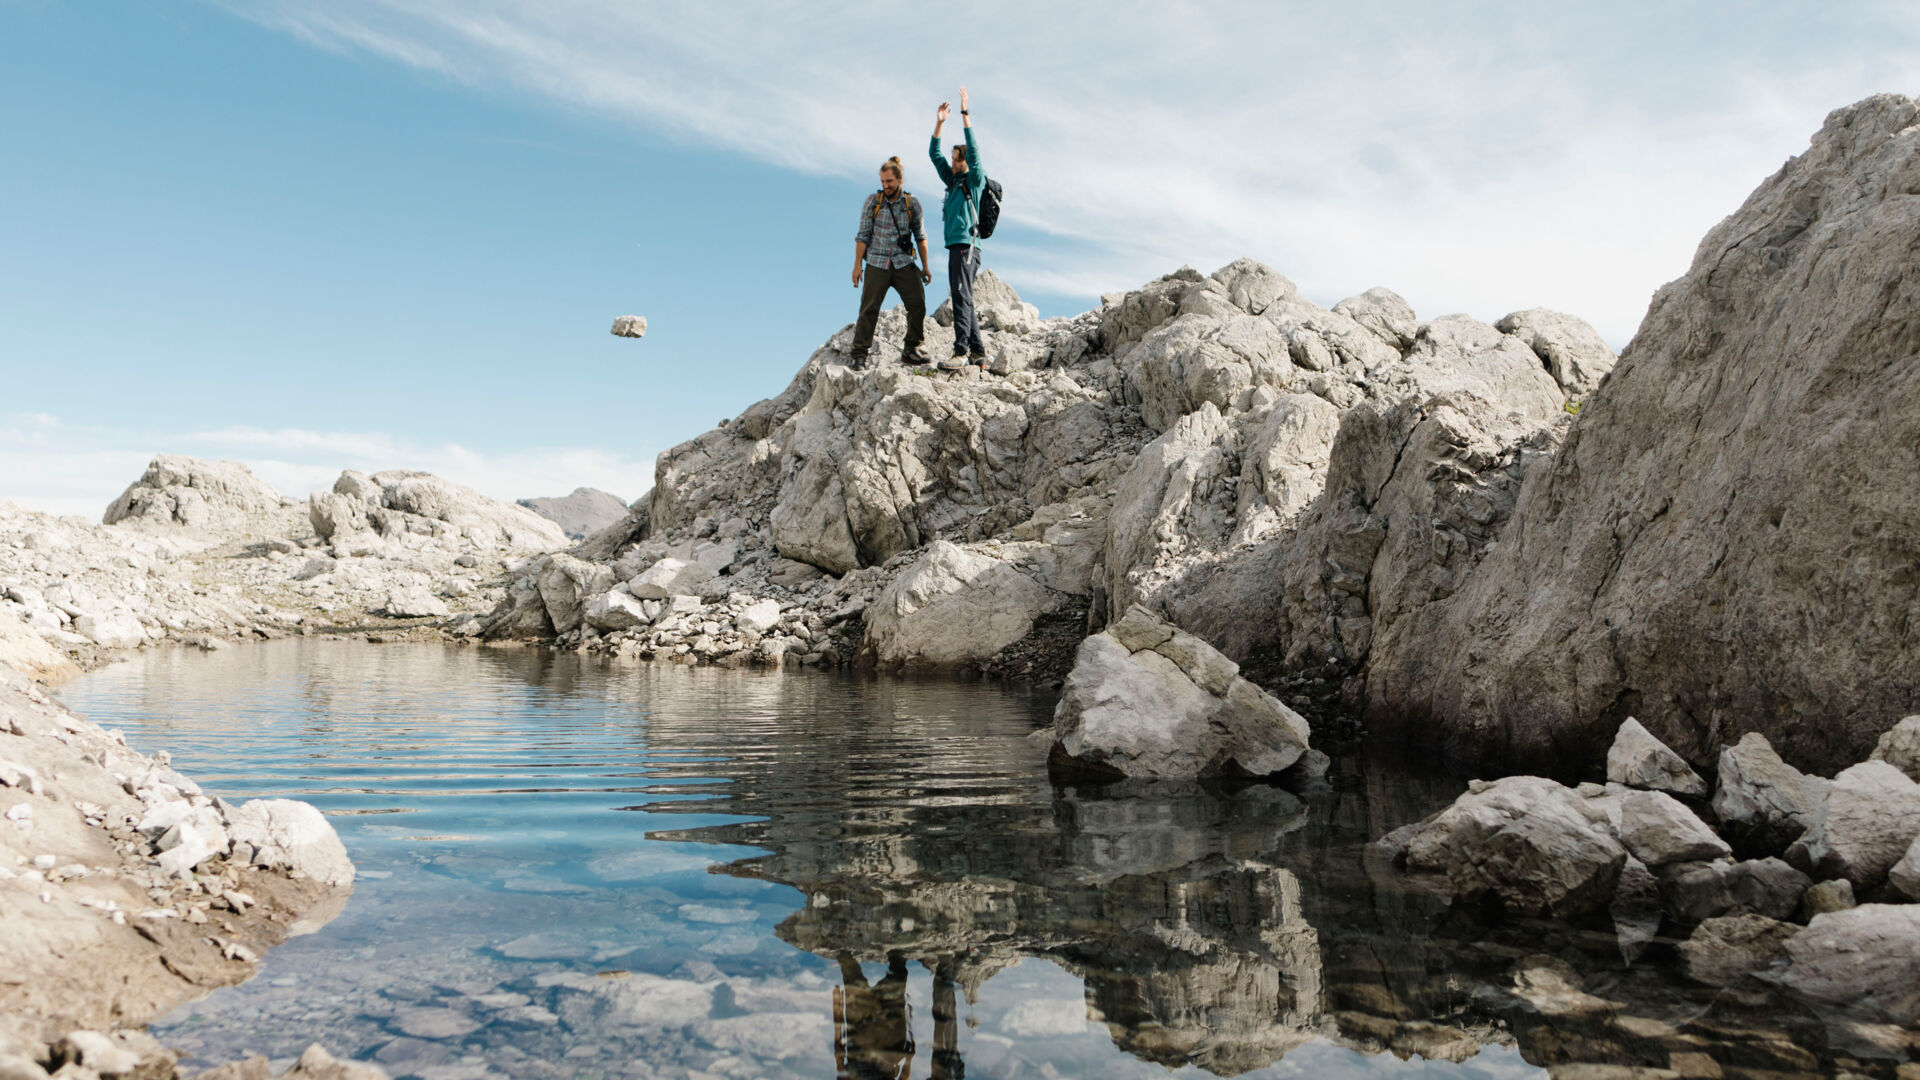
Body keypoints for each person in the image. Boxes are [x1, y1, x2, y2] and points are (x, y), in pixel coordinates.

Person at [851, 157, 933, 368]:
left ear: (899, 179)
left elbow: (921, 236)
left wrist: (925, 266)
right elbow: (862, 235)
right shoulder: (873, 202)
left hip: (903, 262)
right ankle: (859, 355)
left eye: (889, 181)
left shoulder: (912, 203)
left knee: (917, 304)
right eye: (882, 181)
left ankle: (911, 349)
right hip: (877, 262)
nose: (885, 186)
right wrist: (857, 265)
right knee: (869, 309)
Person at [930, 86, 987, 372]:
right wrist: (940, 123)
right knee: (963, 295)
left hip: (967, 245)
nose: (952, 162)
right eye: (952, 159)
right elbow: (933, 154)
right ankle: (978, 352)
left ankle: (961, 351)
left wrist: (964, 113)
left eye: (956, 159)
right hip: (956, 245)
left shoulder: (974, 179)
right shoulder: (952, 182)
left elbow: (974, 151)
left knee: (961, 295)